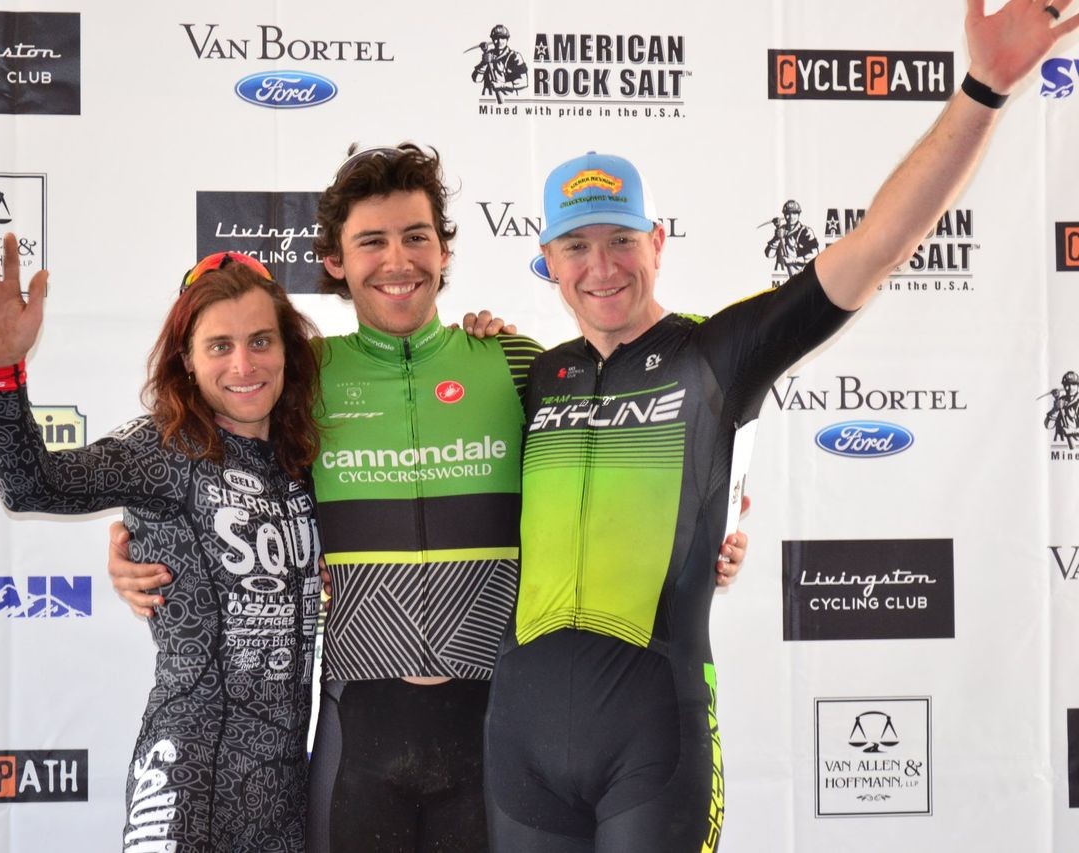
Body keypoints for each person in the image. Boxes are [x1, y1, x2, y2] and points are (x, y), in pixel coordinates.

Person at [484, 2, 1079, 851]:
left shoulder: (714, 357)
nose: (602, 266)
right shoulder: (533, 375)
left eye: (622, 238)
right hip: (519, 738)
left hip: (652, 736)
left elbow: (875, 248)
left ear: (658, 240)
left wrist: (983, 87)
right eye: (576, 247)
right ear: (546, 260)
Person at [109, 144, 749, 852]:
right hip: (359, 736)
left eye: (416, 236)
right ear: (335, 262)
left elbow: (628, 478)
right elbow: (216, 466)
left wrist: (711, 539)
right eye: (371, 242)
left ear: (445, 250)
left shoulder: (516, 363)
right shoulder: (304, 379)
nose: (398, 260)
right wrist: (143, 554)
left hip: (495, 732)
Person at [0, 233, 323, 851]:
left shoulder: (308, 457)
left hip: (286, 783)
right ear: (187, 358)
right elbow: (30, 485)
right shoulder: (160, 447)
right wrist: (3, 371)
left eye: (261, 341)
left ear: (287, 348)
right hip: (184, 768)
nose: (243, 365)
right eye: (219, 346)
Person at [763, 199, 819, 275]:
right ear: (784, 215)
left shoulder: (805, 231)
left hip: (802, 276)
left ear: (799, 214)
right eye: (788, 213)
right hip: (783, 278)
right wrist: (777, 238)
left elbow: (814, 255)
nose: (791, 217)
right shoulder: (780, 231)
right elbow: (769, 254)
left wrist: (793, 260)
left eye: (794, 213)